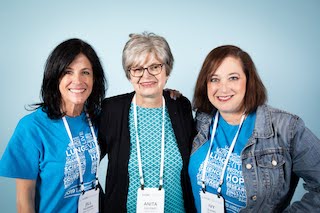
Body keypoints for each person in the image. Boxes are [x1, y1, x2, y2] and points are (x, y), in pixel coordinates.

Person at [188, 45, 320, 212]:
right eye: (214, 79)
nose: (223, 88)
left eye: (233, 78)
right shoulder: (202, 120)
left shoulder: (286, 129)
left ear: (249, 81)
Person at [0, 38, 107, 212]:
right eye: (68, 72)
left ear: (95, 78)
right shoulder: (31, 128)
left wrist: (162, 94)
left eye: (85, 72)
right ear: (55, 77)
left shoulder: (97, 118)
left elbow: (131, 107)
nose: (77, 80)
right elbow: (24, 202)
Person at [98, 32, 196, 212]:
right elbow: (88, 159)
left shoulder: (180, 107)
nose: (146, 75)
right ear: (129, 74)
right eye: (137, 69)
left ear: (167, 69)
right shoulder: (111, 110)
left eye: (155, 67)